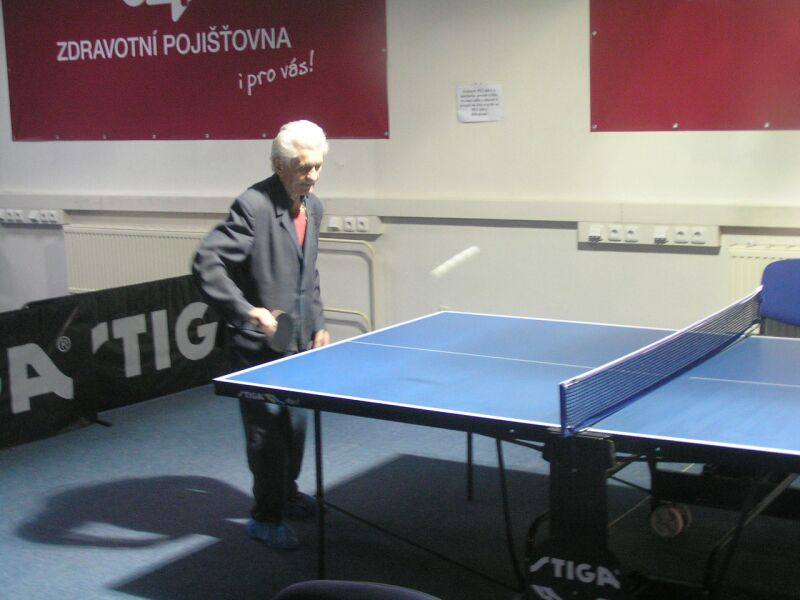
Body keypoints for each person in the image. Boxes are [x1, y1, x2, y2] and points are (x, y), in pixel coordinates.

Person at [192, 120, 331, 549]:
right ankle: (265, 517)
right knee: (267, 433)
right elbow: (207, 263)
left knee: (297, 426)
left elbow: (308, 276)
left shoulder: (314, 207)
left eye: (317, 166)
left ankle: (286, 493)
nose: (311, 175)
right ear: (278, 164)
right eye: (302, 167)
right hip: (258, 348)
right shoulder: (252, 205)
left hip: (298, 345)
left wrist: (318, 324)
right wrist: (247, 311)